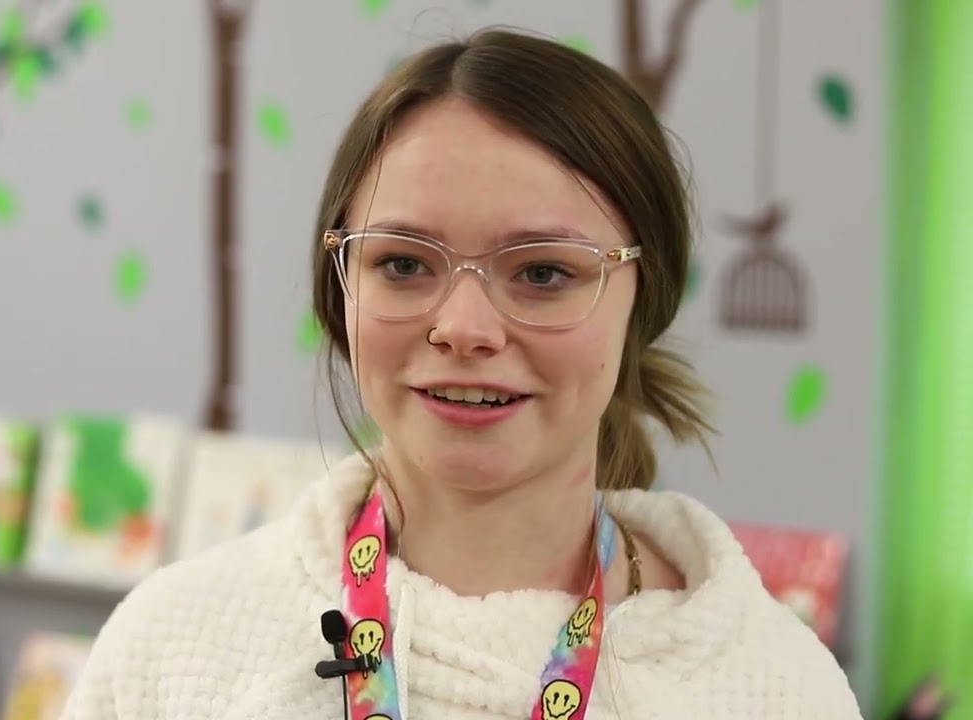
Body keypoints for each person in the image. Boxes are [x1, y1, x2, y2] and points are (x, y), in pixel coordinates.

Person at [62, 27, 862, 719]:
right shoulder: (171, 649)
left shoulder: (776, 689)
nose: (464, 329)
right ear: (339, 288)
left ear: (641, 299)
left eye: (543, 272)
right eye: (404, 263)